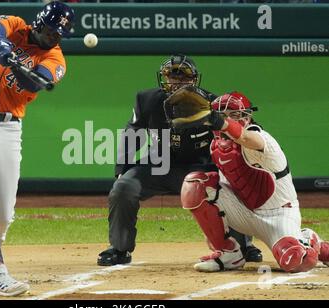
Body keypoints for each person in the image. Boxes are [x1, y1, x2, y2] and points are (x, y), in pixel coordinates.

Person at [0, 1, 74, 296]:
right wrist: (1, 44)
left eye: (59, 34)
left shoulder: (56, 58)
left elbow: (35, 82)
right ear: (39, 23)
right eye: (51, 30)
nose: (53, 37)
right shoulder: (16, 25)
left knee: (4, 212)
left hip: (7, 127)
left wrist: (12, 63)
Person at [97, 54, 262, 266]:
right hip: (160, 164)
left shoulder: (212, 103)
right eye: (171, 76)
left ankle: (243, 244)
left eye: (183, 77)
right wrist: (122, 168)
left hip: (202, 166)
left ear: (194, 79)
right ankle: (119, 249)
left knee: (233, 185)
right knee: (123, 187)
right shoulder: (147, 99)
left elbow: (243, 130)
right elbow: (133, 132)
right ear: (163, 78)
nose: (177, 82)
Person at [180, 90, 329, 272]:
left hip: (279, 215)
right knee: (194, 184)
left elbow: (244, 137)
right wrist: (214, 230)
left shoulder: (261, 139)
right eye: (222, 115)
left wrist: (222, 122)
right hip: (245, 212)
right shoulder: (216, 146)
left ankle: (310, 240)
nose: (228, 119)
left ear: (247, 117)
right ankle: (229, 255)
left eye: (234, 115)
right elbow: (227, 185)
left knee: (297, 260)